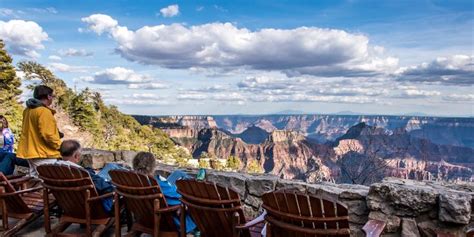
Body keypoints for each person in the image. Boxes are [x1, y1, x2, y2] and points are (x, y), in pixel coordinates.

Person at [132, 152, 196, 234]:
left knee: (178, 173)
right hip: (169, 221)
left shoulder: (133, 181)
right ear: (152, 166)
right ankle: (197, 181)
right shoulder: (157, 185)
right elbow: (182, 199)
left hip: (144, 218)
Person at [57, 140, 114, 213]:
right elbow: (107, 189)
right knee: (112, 168)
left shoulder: (52, 169)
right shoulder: (81, 173)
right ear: (76, 155)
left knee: (110, 167)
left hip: (68, 207)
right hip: (92, 208)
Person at [17, 85, 62, 177]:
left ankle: (27, 192)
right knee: (51, 180)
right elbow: (48, 135)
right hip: (43, 154)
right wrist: (60, 147)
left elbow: (32, 129)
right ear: (48, 96)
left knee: (34, 181)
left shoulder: (28, 110)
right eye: (52, 96)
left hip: (30, 151)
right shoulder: (44, 112)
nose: (52, 99)